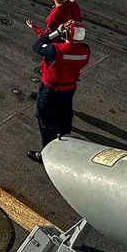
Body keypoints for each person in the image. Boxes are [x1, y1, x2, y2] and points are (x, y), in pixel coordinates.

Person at [28, 19, 90, 164]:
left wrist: (55, 32)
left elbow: (36, 46)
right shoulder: (85, 50)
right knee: (64, 111)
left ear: (66, 34)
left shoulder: (56, 50)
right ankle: (63, 132)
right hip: (69, 89)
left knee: (45, 122)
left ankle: (46, 153)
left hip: (50, 90)